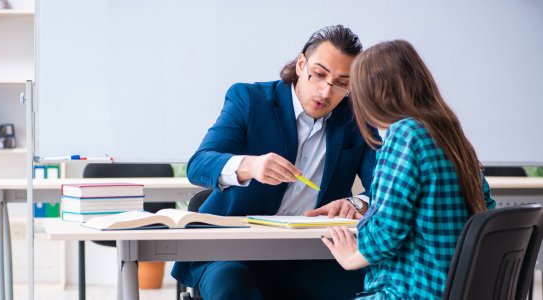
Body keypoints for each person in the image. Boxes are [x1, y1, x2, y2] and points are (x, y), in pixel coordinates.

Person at [172, 25, 380, 300]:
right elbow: (199, 165)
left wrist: (356, 203)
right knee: (234, 291)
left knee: (374, 289)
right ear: (301, 64)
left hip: (313, 256)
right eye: (318, 75)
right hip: (234, 251)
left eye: (341, 83)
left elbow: (386, 185)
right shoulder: (250, 99)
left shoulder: (356, 118)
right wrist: (250, 166)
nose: (326, 91)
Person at [321, 40, 497, 299]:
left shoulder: (405, 133)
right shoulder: (450, 132)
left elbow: (389, 229)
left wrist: (352, 258)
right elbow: (486, 208)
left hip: (412, 290)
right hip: (456, 288)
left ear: (374, 92)